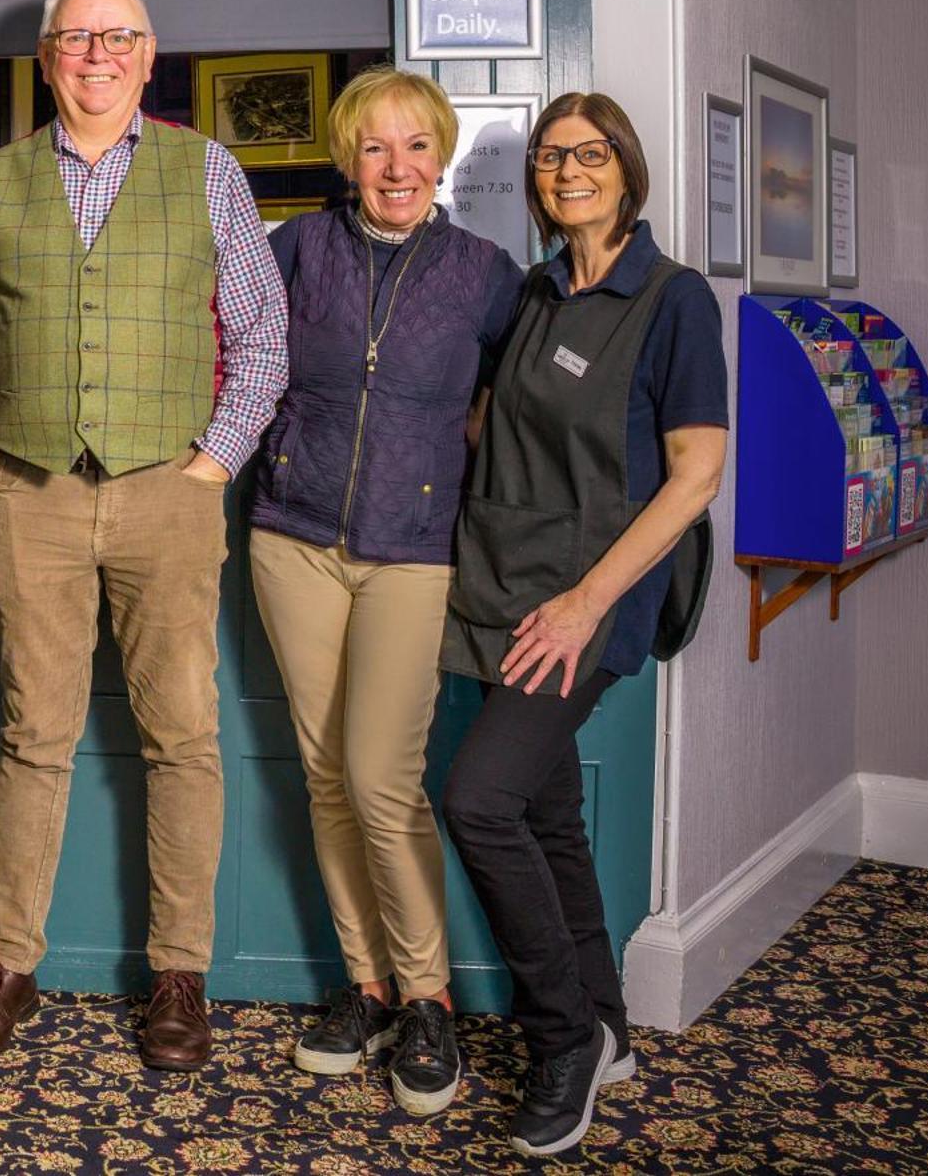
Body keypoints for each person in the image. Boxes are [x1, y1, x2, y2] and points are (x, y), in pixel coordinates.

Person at [0, 0, 289, 1071]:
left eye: (116, 37)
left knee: (180, 738)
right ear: (47, 59)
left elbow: (263, 336)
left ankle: (178, 978)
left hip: (166, 497)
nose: (95, 54)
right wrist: (22, 419)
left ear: (147, 53)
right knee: (31, 737)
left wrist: (209, 463)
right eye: (75, 38)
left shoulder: (208, 170)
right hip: (27, 494)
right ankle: (8, 972)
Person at [439, 93, 726, 1158]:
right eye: (552, 156)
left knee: (476, 800)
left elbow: (694, 476)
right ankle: (602, 1021)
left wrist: (587, 601)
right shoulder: (533, 291)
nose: (567, 170)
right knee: (544, 816)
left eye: (589, 153)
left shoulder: (671, 298)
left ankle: (560, 1037)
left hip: (585, 599)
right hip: (501, 585)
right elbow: (486, 424)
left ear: (624, 168)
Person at [245, 67, 523, 1113]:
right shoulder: (294, 251)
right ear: (344, 158)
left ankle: (428, 1000)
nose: (394, 167)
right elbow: (235, 362)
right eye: (373, 148)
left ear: (439, 157)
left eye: (413, 147)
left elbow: (517, 400)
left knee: (378, 777)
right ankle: (363, 989)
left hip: (413, 546)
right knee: (321, 773)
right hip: (292, 538)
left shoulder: (484, 272)